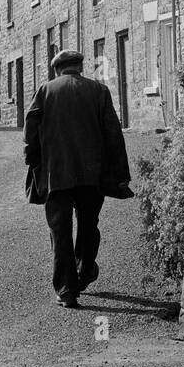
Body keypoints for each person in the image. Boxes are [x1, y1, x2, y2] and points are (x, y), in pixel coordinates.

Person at [23, 48, 132, 308]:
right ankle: (84, 272)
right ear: (80, 67)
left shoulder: (46, 91)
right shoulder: (99, 91)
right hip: (91, 174)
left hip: (56, 173)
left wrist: (33, 159)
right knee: (88, 224)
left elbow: (31, 131)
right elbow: (113, 135)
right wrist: (120, 175)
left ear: (57, 69)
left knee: (60, 231)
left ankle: (66, 290)